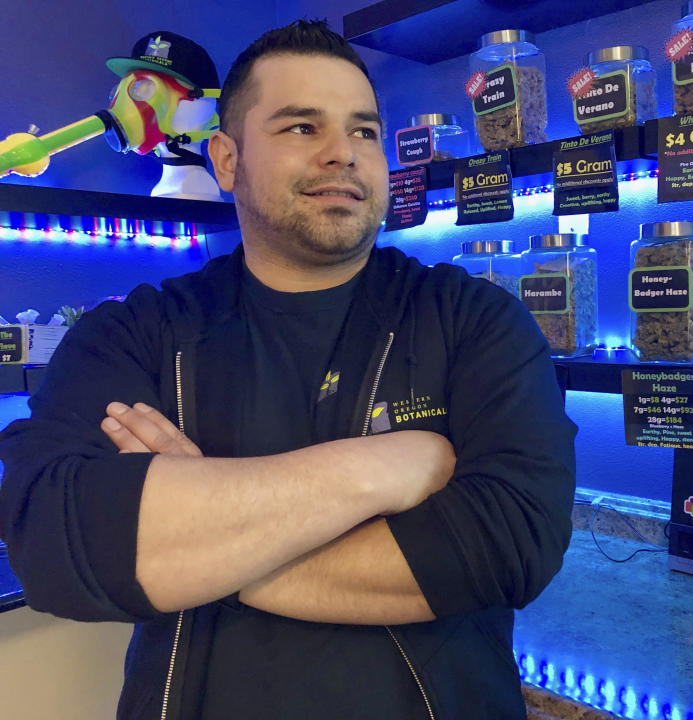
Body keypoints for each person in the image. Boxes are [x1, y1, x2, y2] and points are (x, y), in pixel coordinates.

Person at [0, 19, 577, 720]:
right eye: (302, 128)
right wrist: (386, 468)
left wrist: (202, 543)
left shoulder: (476, 321)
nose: (344, 154)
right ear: (226, 159)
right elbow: (54, 539)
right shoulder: (138, 332)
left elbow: (510, 543)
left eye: (363, 131)